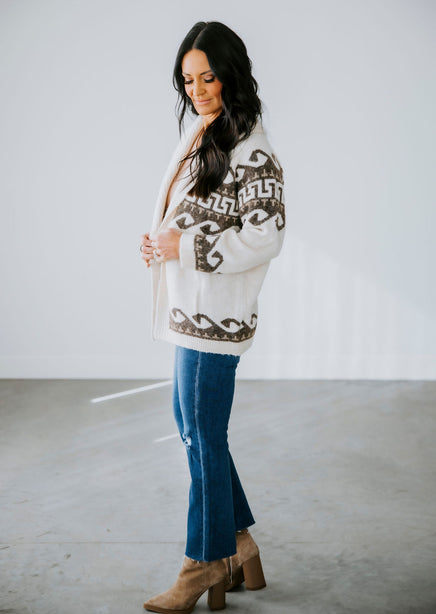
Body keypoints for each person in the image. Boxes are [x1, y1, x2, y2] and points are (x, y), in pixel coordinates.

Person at [139, 20, 285, 614]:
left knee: (201, 434)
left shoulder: (253, 149)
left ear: (231, 74)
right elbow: (193, 211)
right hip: (191, 310)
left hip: (216, 315)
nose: (197, 90)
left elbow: (266, 237)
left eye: (208, 77)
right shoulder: (204, 132)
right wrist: (162, 241)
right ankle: (239, 543)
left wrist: (186, 247)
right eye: (188, 79)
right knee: (194, 428)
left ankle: (202, 561)